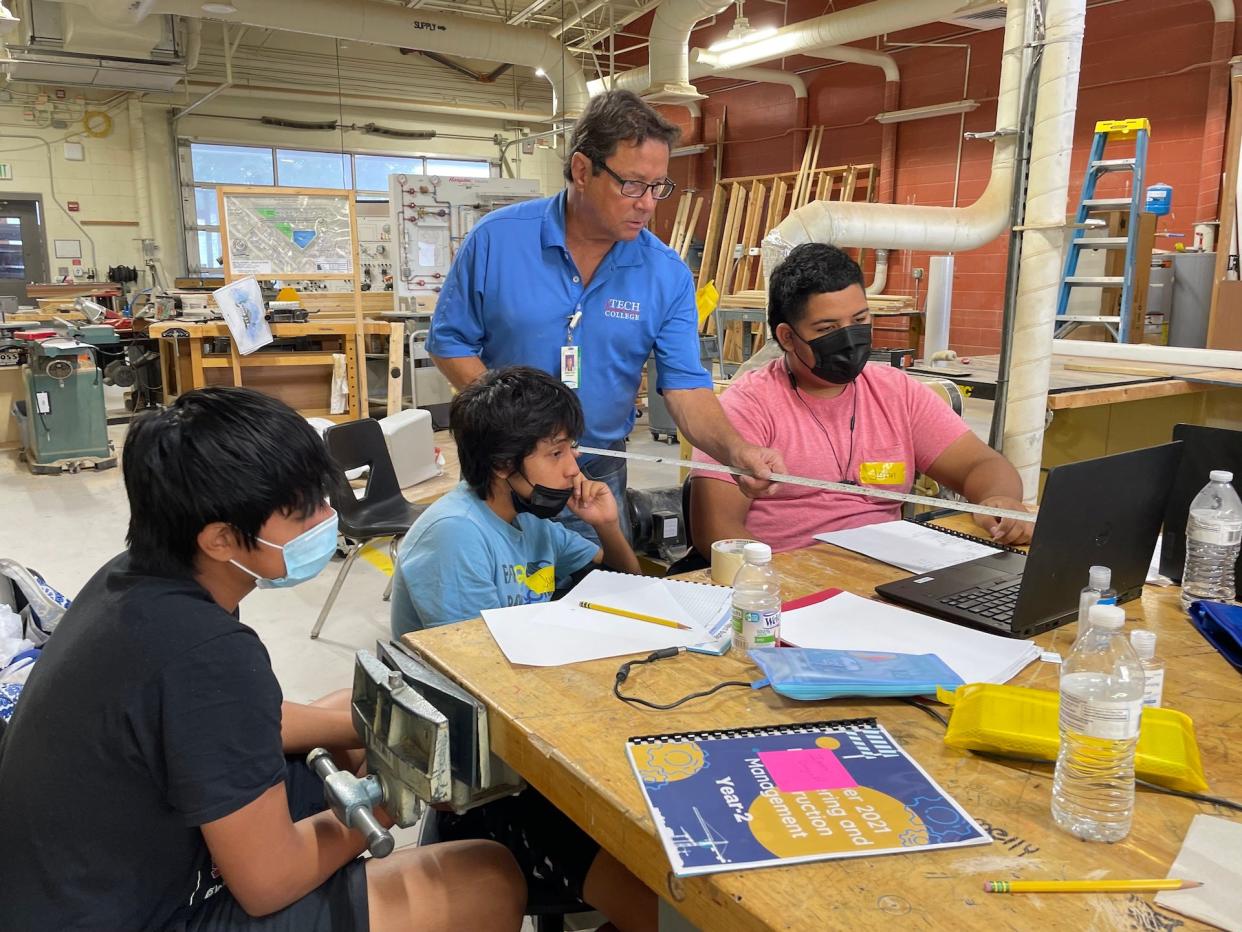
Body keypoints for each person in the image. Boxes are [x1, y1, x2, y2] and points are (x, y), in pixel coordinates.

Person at [0, 387, 525, 932]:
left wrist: (374, 730)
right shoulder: (206, 652)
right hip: (135, 914)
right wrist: (399, 796)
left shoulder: (134, 579)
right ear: (223, 539)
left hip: (68, 883)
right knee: (489, 879)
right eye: (305, 513)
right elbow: (268, 883)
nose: (328, 520)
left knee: (353, 721)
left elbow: (234, 723)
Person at [427, 89, 784, 543]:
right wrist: (515, 432)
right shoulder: (497, 241)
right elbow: (450, 343)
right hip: (503, 473)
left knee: (595, 599)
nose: (648, 204)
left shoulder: (666, 274)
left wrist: (738, 451)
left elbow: (686, 385)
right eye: (632, 184)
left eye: (658, 187)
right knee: (495, 598)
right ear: (582, 170)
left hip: (597, 471)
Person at [390, 366, 655, 932]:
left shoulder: (528, 520)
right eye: (556, 453)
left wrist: (609, 526)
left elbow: (628, 592)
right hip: (483, 765)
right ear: (505, 464)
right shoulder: (458, 534)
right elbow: (480, 681)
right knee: (636, 872)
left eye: (571, 450)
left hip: (529, 728)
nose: (572, 469)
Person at [690, 243, 1033, 554]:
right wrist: (769, 583)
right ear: (788, 337)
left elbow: (981, 465)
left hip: (886, 574)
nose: (850, 339)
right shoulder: (747, 406)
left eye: (859, 320)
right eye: (827, 329)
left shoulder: (896, 392)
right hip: (788, 582)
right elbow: (716, 531)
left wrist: (999, 502)